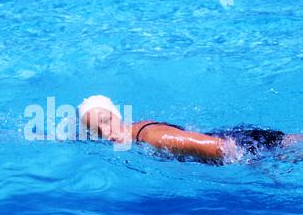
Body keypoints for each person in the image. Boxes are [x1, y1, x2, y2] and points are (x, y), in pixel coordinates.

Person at [77, 95, 302, 164]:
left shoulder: (150, 136)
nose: (106, 133)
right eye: (97, 131)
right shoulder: (130, 132)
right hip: (238, 135)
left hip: (247, 146)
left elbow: (218, 148)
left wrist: (249, 162)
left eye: (106, 121)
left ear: (118, 115)